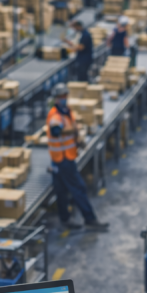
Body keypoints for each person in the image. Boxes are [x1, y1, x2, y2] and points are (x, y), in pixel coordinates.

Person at [47, 84, 109, 231]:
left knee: (61, 191)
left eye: (65, 96)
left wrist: (79, 142)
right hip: (63, 160)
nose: (63, 99)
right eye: (61, 97)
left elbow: (71, 131)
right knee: (78, 188)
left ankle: (65, 220)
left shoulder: (67, 113)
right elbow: (56, 131)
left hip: (63, 158)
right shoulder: (55, 115)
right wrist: (72, 130)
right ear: (55, 99)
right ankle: (90, 219)